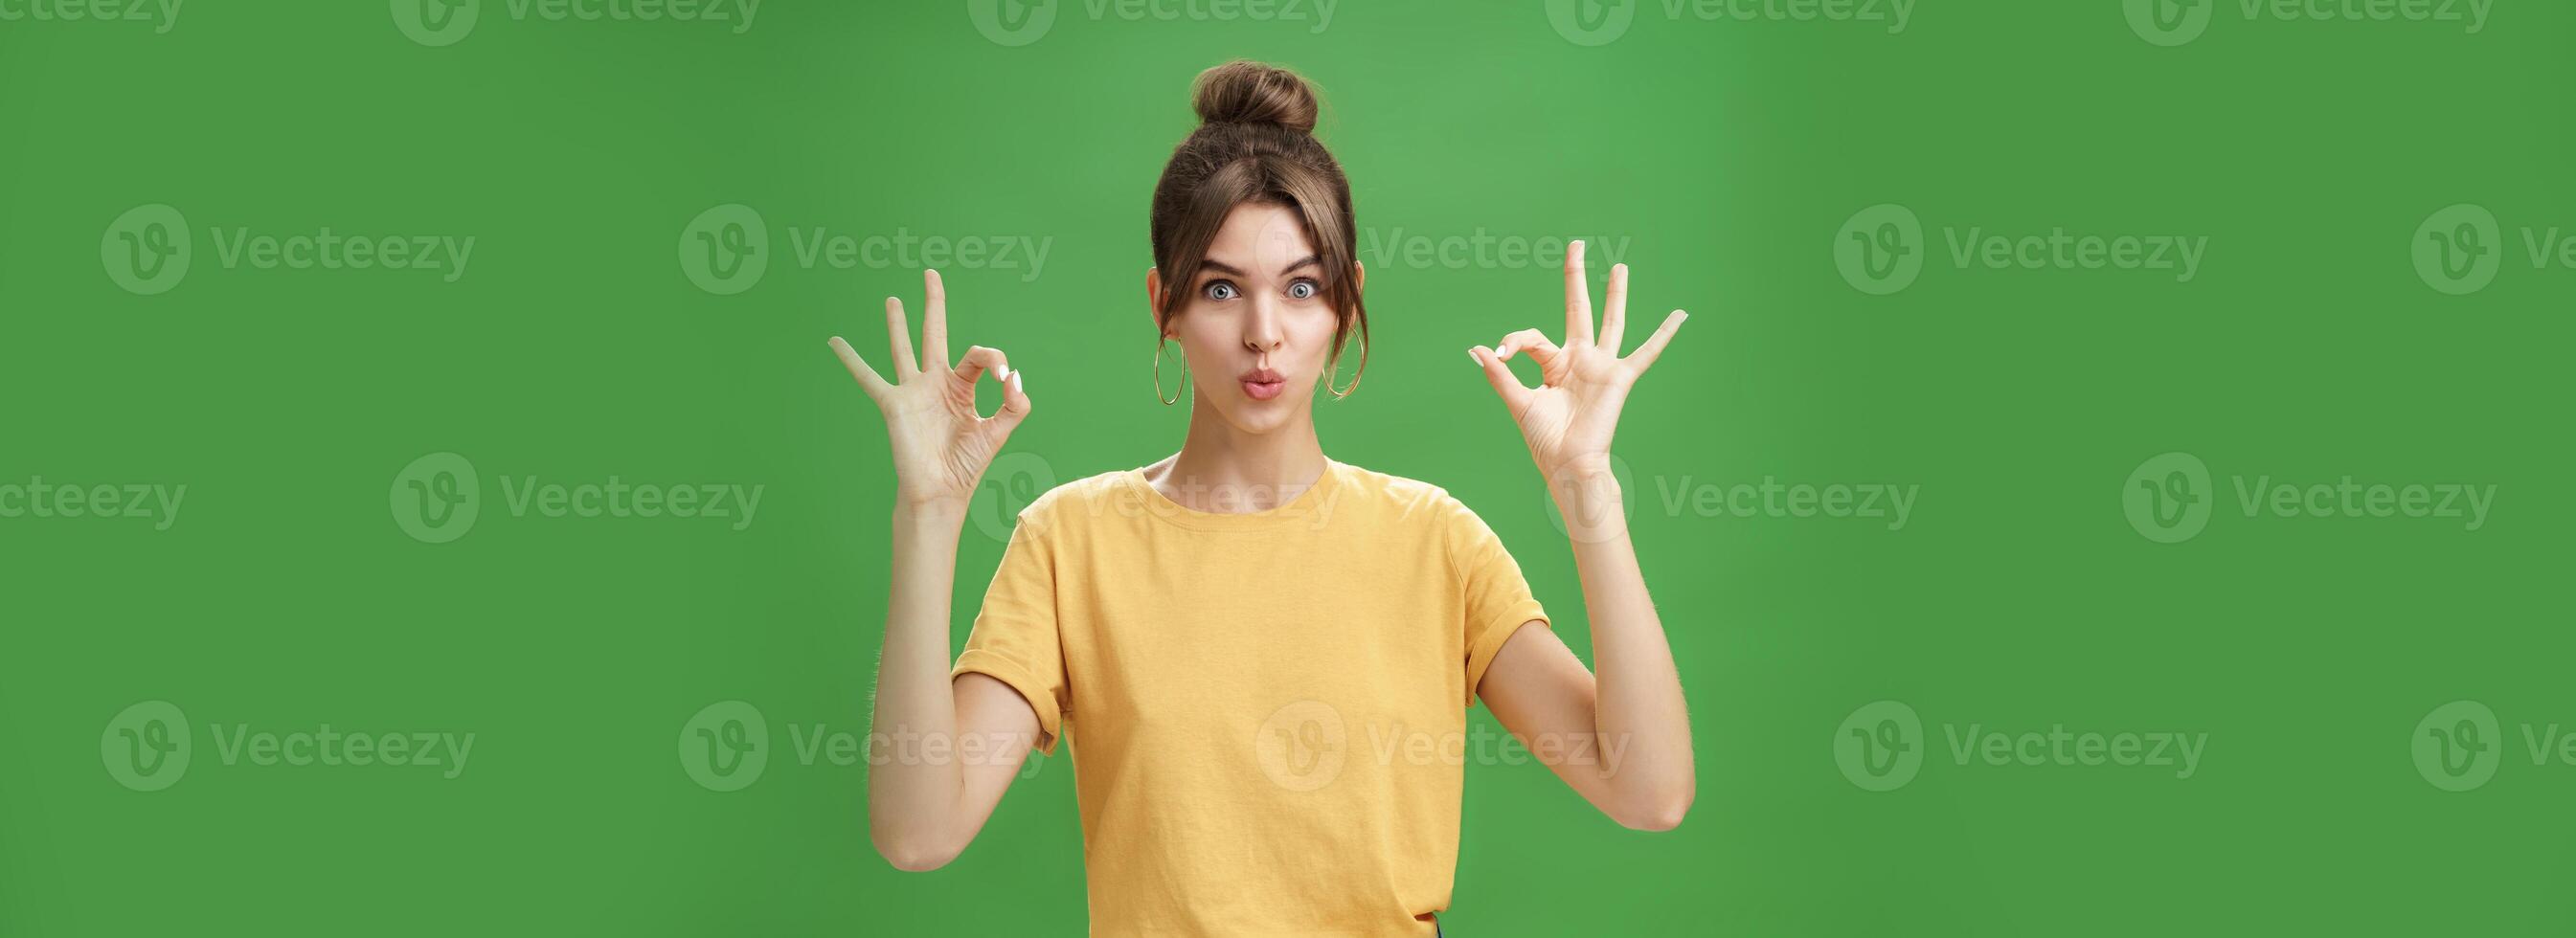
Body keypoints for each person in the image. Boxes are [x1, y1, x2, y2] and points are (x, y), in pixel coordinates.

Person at [826, 59, 1694, 936]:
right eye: (1220, 288)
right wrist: (927, 515)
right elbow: (917, 831)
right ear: (1164, 304)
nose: (1262, 333)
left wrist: (1588, 488)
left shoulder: (1435, 541)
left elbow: (1648, 789)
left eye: (1302, 287)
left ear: (1345, 307)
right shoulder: (1070, 542)